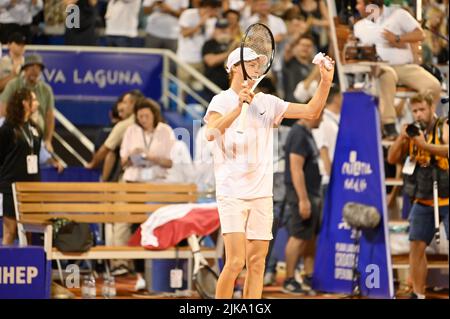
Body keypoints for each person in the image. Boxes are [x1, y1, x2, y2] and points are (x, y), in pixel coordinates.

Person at [204, 46, 334, 298]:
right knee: (234, 262)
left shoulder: (267, 102)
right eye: (251, 63)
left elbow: (311, 111)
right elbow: (211, 133)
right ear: (234, 68)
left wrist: (325, 82)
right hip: (232, 193)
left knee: (257, 263)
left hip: (261, 194)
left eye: (258, 64)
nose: (256, 68)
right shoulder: (221, 100)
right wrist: (237, 108)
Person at [387, 92, 449, 299]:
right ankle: (418, 294)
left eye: (422, 109)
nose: (418, 114)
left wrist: (424, 145)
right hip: (422, 198)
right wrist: (402, 138)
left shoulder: (444, 126)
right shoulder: (412, 131)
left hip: (447, 197)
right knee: (416, 246)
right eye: (414, 111)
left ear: (432, 108)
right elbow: (392, 158)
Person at [353, 0, 442, 139]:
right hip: (380, 68)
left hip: (405, 67)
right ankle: (389, 126)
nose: (356, 7)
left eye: (359, 3)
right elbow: (355, 51)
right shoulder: (359, 27)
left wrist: (397, 38)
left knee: (433, 85)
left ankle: (424, 124)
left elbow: (420, 34)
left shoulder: (398, 15)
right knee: (387, 74)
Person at [120, 97, 176, 288]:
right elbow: (123, 161)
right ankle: (140, 274)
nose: (143, 119)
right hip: (135, 182)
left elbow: (170, 162)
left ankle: (159, 273)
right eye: (140, 116)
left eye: (146, 115)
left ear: (154, 115)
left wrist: (152, 157)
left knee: (156, 225)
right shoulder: (131, 131)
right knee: (137, 226)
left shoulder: (165, 131)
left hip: (156, 183)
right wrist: (132, 154)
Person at [282, 105, 323, 294]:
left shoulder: (306, 132)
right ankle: (289, 279)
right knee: (298, 237)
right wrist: (303, 199)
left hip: (311, 193)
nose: (321, 119)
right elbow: (295, 168)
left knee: (309, 237)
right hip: (302, 194)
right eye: (320, 115)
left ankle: (308, 275)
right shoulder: (298, 133)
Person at [0, 88, 41, 245]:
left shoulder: (34, 128)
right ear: (24, 103)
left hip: (31, 186)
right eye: (34, 100)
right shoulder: (7, 129)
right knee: (10, 231)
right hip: (11, 187)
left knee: (30, 231)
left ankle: (30, 266)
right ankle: (5, 267)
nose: (37, 103)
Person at [0, 54, 55, 153]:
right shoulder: (13, 84)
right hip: (16, 133)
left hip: (38, 135)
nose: (35, 70)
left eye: (38, 68)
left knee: (47, 159)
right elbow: (3, 111)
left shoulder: (46, 89)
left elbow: (49, 116)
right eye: (31, 67)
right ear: (24, 69)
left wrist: (48, 140)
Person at [312, 85, 342, 198]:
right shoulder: (323, 120)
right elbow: (323, 150)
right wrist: (333, 178)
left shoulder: (335, 120)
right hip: (329, 181)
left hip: (336, 177)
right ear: (336, 98)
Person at [202, 18, 239, 100]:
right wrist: (230, 52)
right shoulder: (209, 44)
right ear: (215, 30)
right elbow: (211, 61)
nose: (223, 31)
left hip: (232, 88)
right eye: (220, 28)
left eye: (225, 28)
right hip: (213, 88)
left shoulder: (236, 44)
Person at [283, 34, 319, 103]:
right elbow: (288, 48)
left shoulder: (313, 66)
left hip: (309, 107)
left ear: (313, 48)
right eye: (303, 45)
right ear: (296, 47)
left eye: (308, 46)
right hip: (291, 106)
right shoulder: (289, 62)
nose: (305, 48)